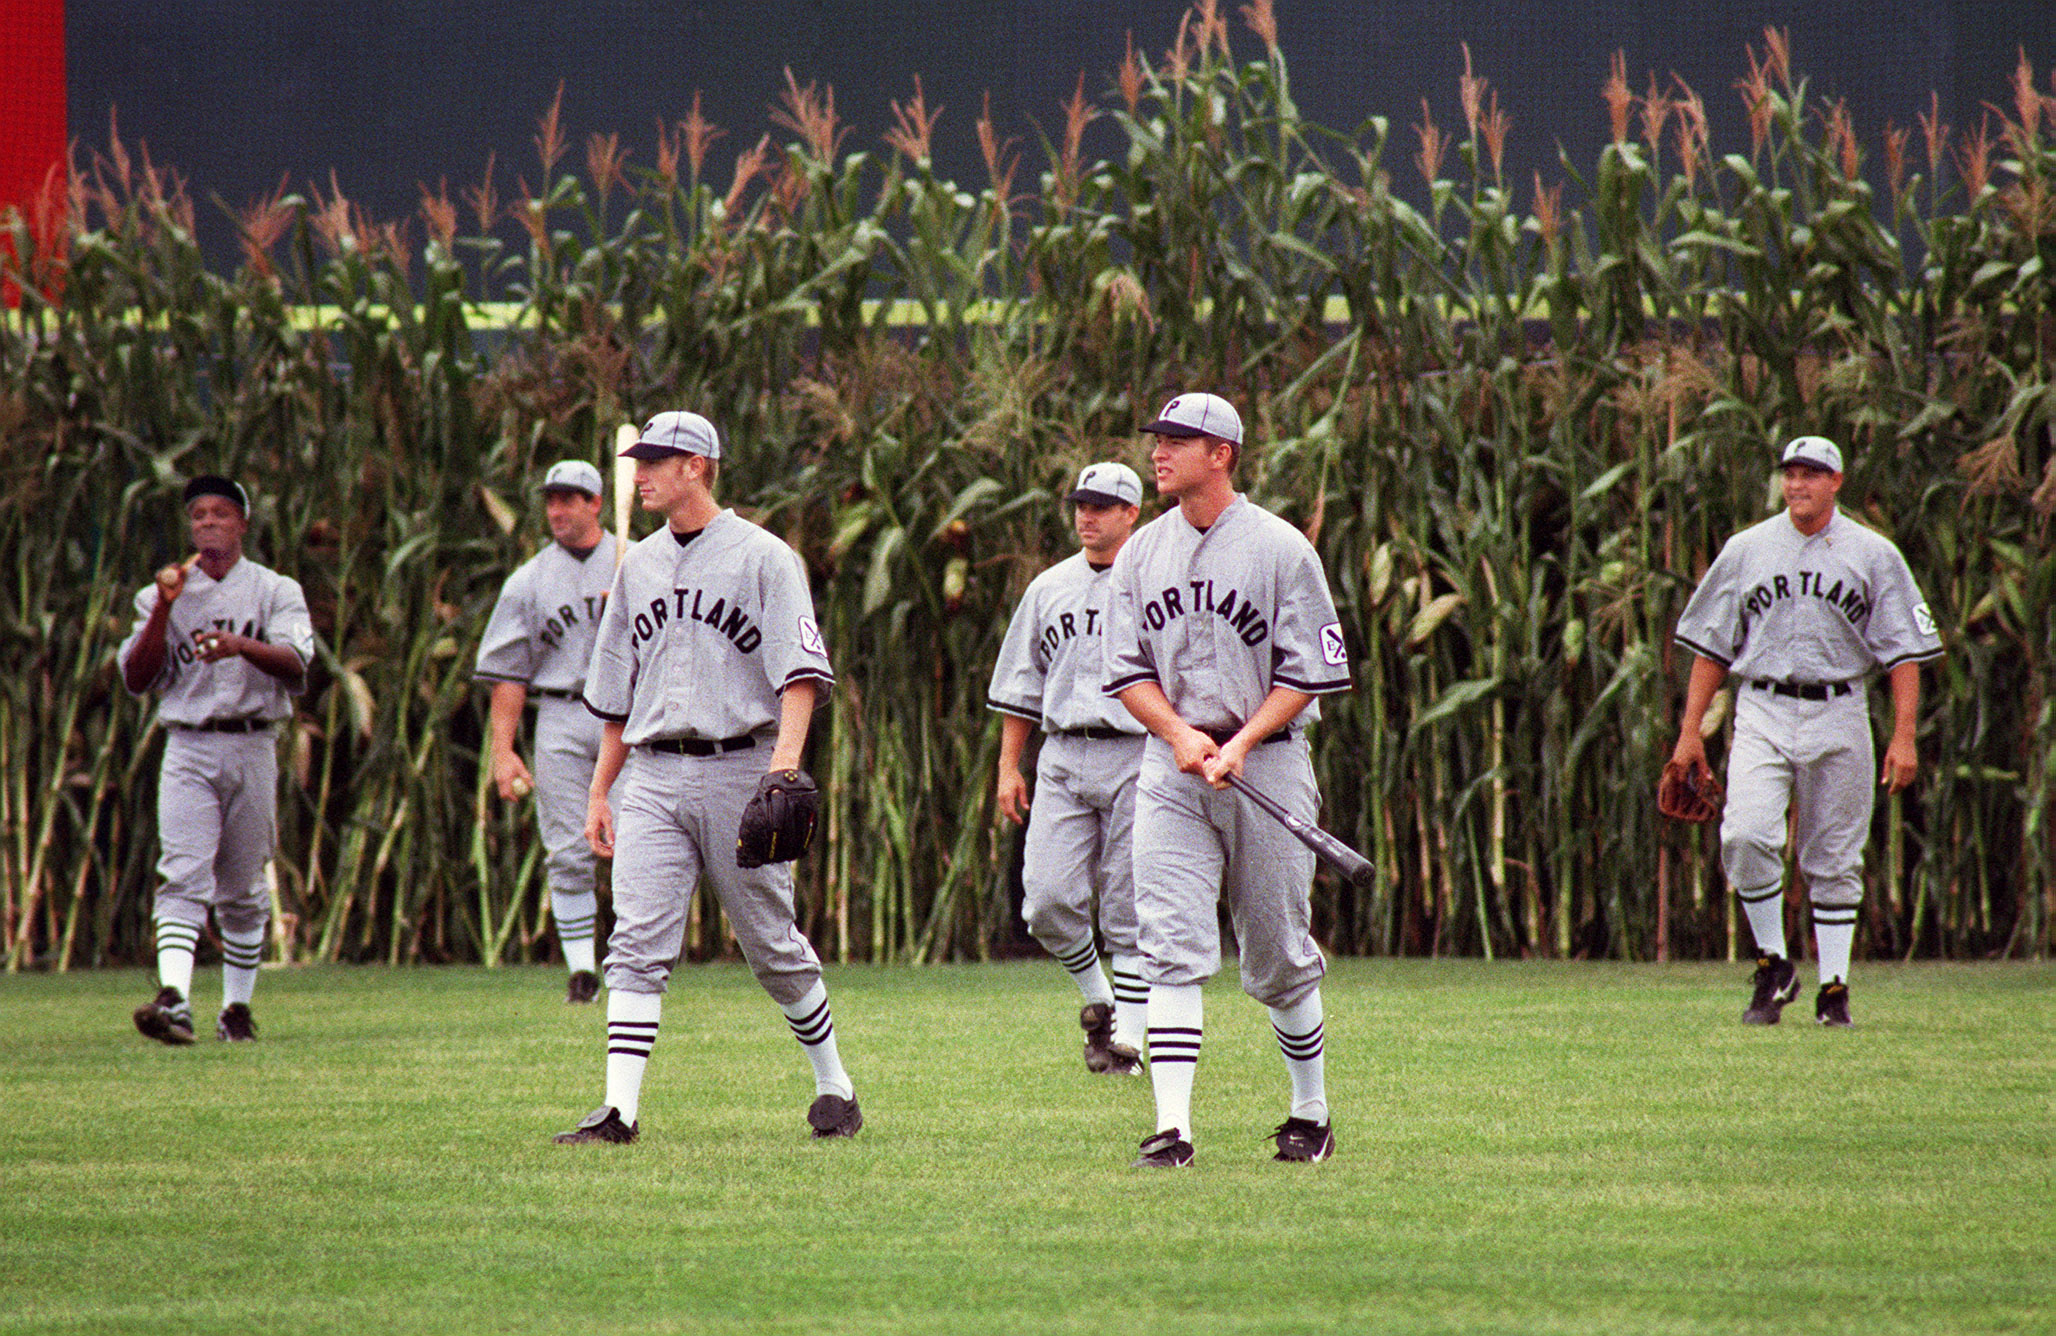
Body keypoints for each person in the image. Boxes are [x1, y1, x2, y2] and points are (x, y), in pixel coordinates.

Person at [553, 410, 858, 1145]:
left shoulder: (764, 557)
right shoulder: (641, 565)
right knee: (636, 941)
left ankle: (833, 1083)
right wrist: (600, 790)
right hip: (653, 777)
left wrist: (782, 768)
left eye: (657, 459)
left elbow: (800, 677)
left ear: (697, 464)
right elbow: (619, 696)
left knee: (771, 944)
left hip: (742, 768)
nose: (643, 472)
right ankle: (619, 1110)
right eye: (640, 460)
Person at [1102, 392, 1353, 1167]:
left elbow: (1311, 672)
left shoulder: (1281, 549)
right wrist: (1178, 734)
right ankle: (1173, 1128)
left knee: (1276, 952)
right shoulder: (1142, 552)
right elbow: (1126, 669)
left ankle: (1309, 1112)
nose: (1160, 450)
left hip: (1267, 766)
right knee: (1170, 943)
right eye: (1159, 437)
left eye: (1180, 439)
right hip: (1171, 770)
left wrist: (1241, 740)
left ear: (1224, 455)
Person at [1670, 435, 1943, 1027]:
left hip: (1841, 708)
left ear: (1836, 482)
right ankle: (1774, 965)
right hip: (1761, 707)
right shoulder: (1747, 550)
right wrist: (1690, 731)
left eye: (1812, 474)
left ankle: (1834, 989)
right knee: (1743, 833)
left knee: (1835, 855)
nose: (1798, 484)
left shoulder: (1874, 554)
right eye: (1791, 473)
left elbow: (1903, 654)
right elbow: (1712, 646)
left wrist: (1904, 736)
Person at [119, 476, 315, 1045]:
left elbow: (297, 665)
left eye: (220, 514)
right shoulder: (164, 593)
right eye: (198, 515)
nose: (207, 523)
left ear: (243, 525)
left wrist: (241, 646)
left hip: (254, 742)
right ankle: (175, 999)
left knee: (242, 884)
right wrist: (163, 607)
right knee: (182, 870)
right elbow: (137, 676)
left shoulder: (275, 589)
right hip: (189, 744)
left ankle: (235, 1008)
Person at [988, 462, 1149, 1075]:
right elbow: (1020, 684)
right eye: (1081, 503)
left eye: (1103, 505)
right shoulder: (1049, 587)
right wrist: (1010, 767)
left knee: (1130, 902)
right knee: (1048, 902)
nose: (1087, 515)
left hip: (1139, 751)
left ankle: (1128, 1045)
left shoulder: (1154, 583)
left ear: (1132, 512)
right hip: (1061, 753)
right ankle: (1100, 1003)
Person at [474, 459, 622, 1003]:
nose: (557, 509)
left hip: (626, 717)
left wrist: (627, 612)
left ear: (597, 504)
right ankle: (583, 972)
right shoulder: (529, 579)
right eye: (551, 500)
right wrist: (502, 749)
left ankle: (633, 965)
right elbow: (510, 672)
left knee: (636, 843)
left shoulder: (636, 562)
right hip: (560, 712)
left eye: (570, 499)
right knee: (567, 848)